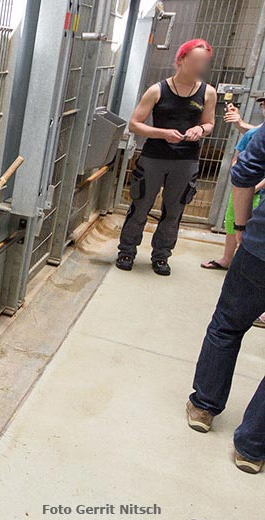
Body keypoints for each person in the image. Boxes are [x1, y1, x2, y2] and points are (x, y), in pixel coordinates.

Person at [187, 123, 265, 474]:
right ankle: (251, 448)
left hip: (260, 248)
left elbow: (244, 172)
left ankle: (204, 407)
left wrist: (243, 226)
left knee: (228, 325)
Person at [117, 39, 217, 275]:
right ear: (181, 60)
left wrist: (200, 130)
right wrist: (163, 134)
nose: (200, 67)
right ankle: (127, 251)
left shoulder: (208, 92)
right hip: (154, 158)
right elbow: (134, 124)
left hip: (186, 161)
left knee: (174, 212)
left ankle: (161, 257)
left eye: (204, 62)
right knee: (140, 207)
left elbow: (210, 123)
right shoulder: (157, 90)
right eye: (196, 61)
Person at [201, 98, 265, 328]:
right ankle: (227, 258)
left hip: (253, 194)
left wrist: (252, 185)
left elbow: (245, 168)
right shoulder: (256, 133)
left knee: (226, 326)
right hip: (247, 189)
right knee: (232, 221)